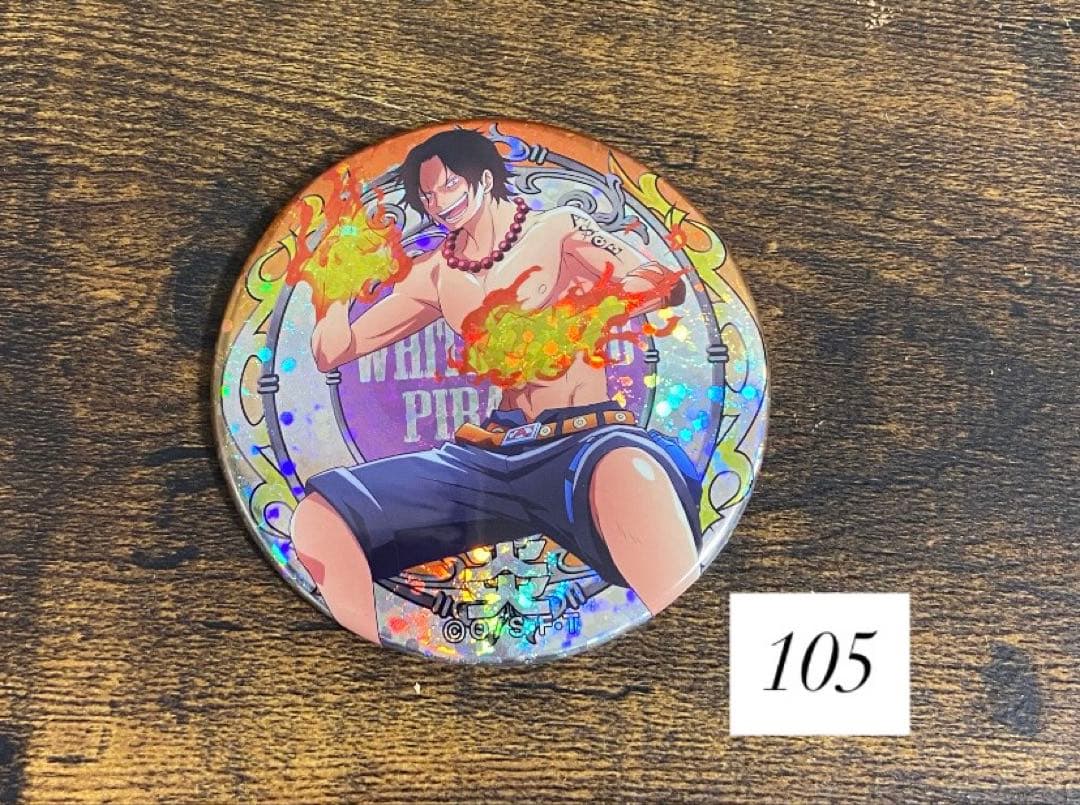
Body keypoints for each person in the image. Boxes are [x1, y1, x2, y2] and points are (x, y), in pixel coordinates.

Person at [290, 128, 702, 643]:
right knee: (322, 518)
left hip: (585, 442)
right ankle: (374, 660)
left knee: (635, 476)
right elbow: (334, 350)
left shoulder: (557, 228)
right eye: (428, 195)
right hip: (492, 453)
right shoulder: (436, 273)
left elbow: (661, 281)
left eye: (449, 186)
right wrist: (333, 286)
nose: (439, 203)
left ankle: (699, 646)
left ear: (484, 179)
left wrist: (571, 322)